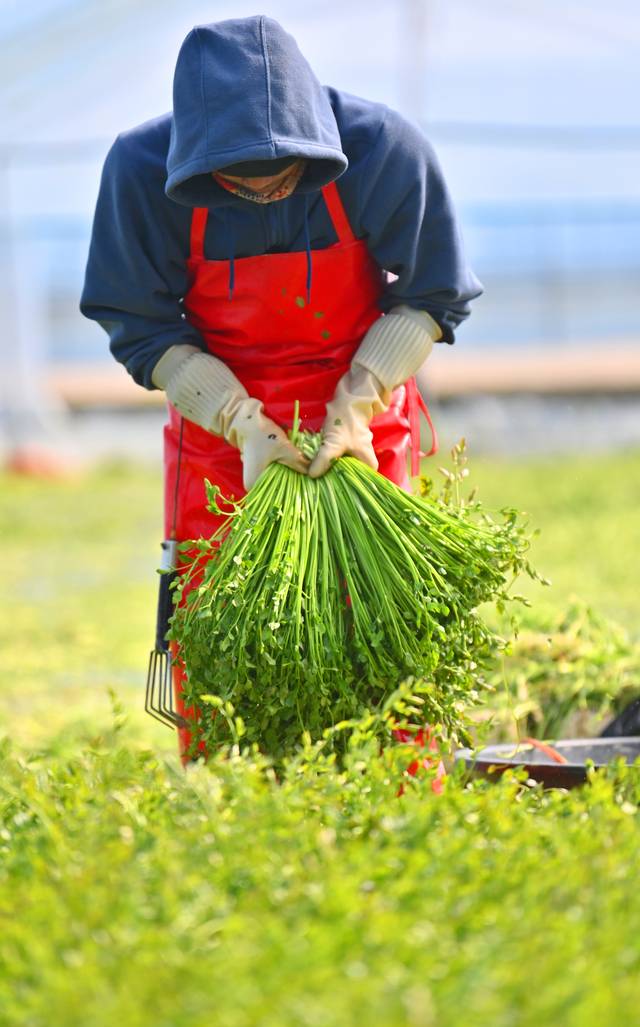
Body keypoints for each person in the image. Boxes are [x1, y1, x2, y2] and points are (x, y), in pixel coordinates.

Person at [80, 16, 482, 759]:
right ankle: (247, 808)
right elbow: (140, 326)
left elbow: (433, 294)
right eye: (237, 185)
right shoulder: (140, 171)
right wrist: (243, 423)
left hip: (358, 419)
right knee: (231, 642)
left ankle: (392, 800)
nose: (265, 194)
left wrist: (357, 406)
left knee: (385, 628)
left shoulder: (383, 149)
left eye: (287, 179)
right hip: (221, 440)